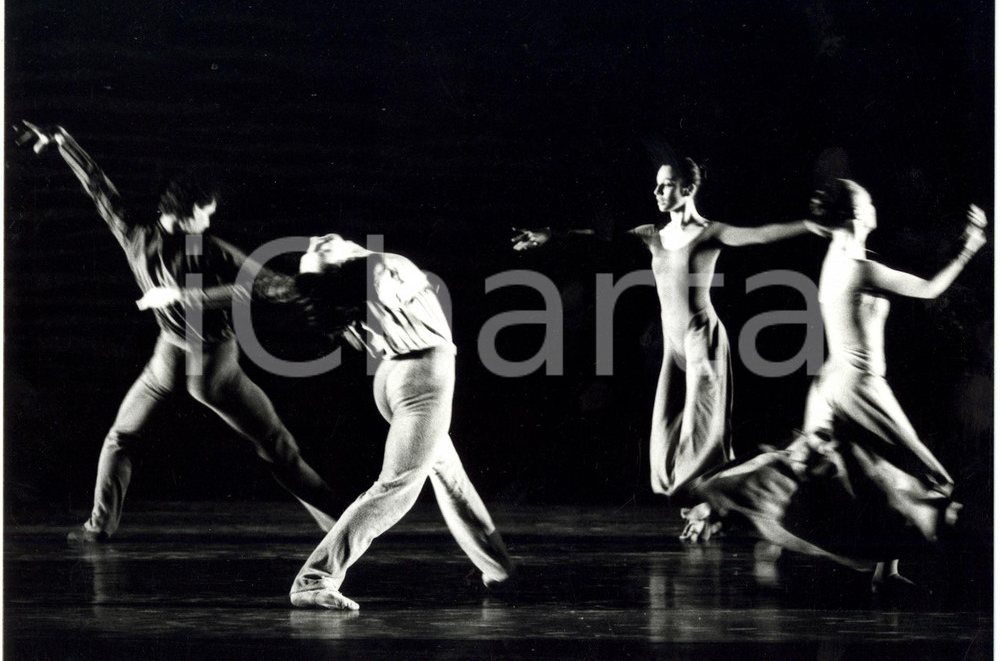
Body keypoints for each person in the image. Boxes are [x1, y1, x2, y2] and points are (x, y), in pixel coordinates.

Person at [16, 121, 341, 542]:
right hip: (211, 367)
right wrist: (308, 278)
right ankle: (341, 523)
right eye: (205, 215)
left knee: (121, 438)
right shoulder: (207, 249)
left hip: (167, 357)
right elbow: (266, 286)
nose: (208, 223)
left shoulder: (134, 235)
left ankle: (99, 526)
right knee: (277, 447)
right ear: (187, 213)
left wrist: (63, 144)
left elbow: (99, 189)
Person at [685, 180, 986, 593]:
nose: (875, 205)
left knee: (870, 475)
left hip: (832, 384)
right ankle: (732, 504)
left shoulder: (840, 257)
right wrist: (969, 246)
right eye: (869, 201)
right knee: (925, 477)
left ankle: (883, 570)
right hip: (857, 387)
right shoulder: (860, 267)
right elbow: (930, 289)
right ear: (858, 215)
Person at [514, 157, 825, 508]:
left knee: (706, 435)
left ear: (688, 189)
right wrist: (551, 236)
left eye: (666, 185)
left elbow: (762, 235)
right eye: (657, 185)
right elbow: (601, 242)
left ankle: (716, 500)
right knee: (664, 435)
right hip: (673, 345)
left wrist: (810, 225)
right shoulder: (652, 235)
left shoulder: (710, 233)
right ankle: (704, 495)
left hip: (702, 339)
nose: (657, 192)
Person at [246, 234, 515, 610]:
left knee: (449, 477)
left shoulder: (352, 282)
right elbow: (377, 281)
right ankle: (314, 579)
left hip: (394, 377)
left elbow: (289, 289)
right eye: (323, 249)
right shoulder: (378, 270)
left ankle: (499, 569)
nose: (322, 239)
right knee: (397, 487)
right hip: (424, 380)